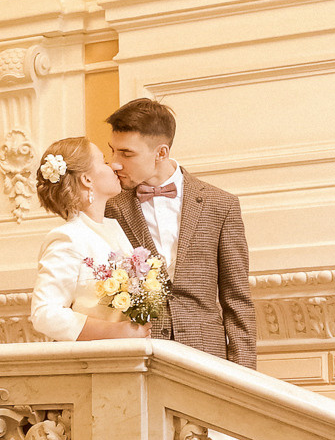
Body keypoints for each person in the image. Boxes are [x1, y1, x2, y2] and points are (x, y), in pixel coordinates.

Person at [104, 98, 255, 369]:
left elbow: (238, 300)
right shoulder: (109, 207)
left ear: (161, 153)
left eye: (126, 154)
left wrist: (247, 377)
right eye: (112, 151)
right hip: (136, 358)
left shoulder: (221, 205)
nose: (115, 163)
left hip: (207, 358)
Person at [26, 137, 150, 344]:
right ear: (87, 180)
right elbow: (45, 314)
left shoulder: (115, 229)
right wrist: (116, 331)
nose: (115, 166)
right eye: (104, 161)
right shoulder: (67, 239)